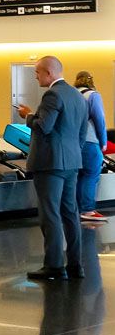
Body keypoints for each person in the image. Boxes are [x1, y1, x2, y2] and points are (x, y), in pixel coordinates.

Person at [17, 55, 85, 281]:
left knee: (50, 214)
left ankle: (54, 266)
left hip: (50, 164)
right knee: (70, 213)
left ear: (49, 73)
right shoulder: (77, 95)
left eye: (37, 73)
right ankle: (75, 266)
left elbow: (43, 127)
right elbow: (82, 133)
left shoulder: (52, 95)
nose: (36, 77)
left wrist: (28, 116)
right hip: (72, 163)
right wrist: (72, 154)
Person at [74, 71, 106, 223]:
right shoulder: (93, 95)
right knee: (91, 174)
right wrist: (103, 141)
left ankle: (78, 210)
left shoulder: (71, 94)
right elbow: (99, 119)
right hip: (89, 140)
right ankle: (87, 209)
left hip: (72, 142)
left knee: (79, 175)